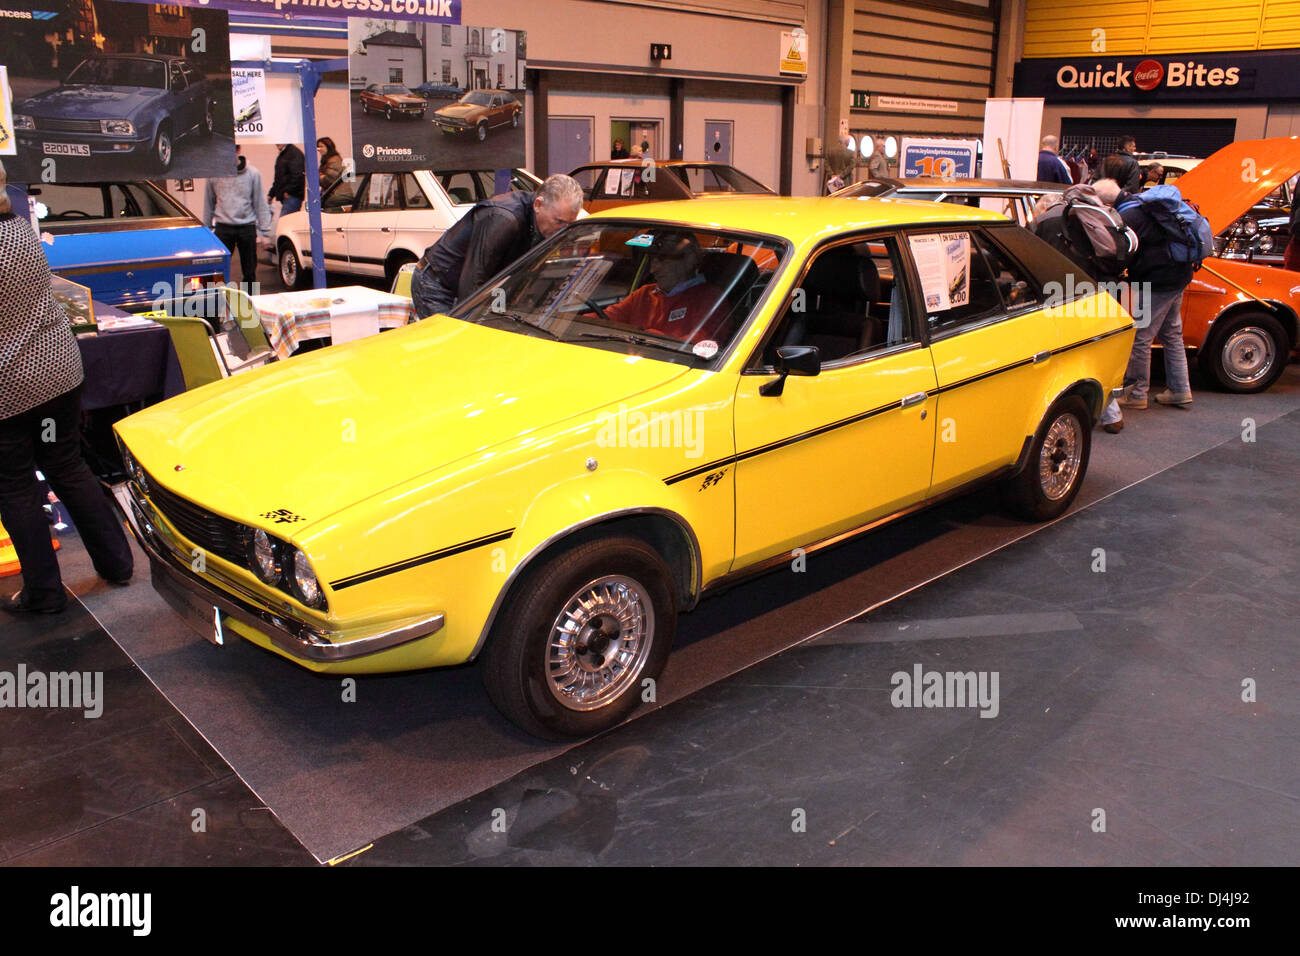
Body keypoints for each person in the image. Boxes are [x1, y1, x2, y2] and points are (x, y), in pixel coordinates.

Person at [0, 159, 133, 614]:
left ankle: (44, 593)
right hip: (57, 371)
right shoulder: (19, 228)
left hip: (9, 388)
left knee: (15, 487)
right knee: (67, 465)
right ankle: (117, 564)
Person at [411, 173, 584, 319]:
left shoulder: (544, 223)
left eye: (569, 224)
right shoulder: (503, 218)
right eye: (559, 221)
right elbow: (472, 283)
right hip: (437, 284)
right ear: (538, 205)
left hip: (472, 285)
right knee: (453, 347)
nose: (563, 230)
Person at [1094, 176, 1196, 413]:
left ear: (1106, 204)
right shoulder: (1142, 205)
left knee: (1141, 336)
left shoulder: (1128, 217)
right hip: (1179, 274)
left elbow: (1121, 253)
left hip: (1155, 281)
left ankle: (1137, 393)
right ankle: (1180, 390)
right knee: (1171, 333)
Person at [603, 231, 730, 344]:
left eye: (661, 260)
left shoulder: (710, 299)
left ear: (689, 260)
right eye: (652, 261)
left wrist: (648, 338)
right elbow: (604, 318)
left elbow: (699, 344)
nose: (652, 270)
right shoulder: (645, 293)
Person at [203, 145, 271, 285]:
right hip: (223, 227)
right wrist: (206, 230)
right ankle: (220, 303)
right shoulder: (214, 174)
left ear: (238, 151)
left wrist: (265, 232)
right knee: (218, 272)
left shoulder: (253, 174)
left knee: (250, 272)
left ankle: (249, 304)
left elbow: (260, 203)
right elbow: (208, 203)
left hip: (247, 227)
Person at [267, 143, 306, 215]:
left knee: (285, 223)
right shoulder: (285, 154)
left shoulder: (293, 154)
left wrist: (288, 192)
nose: (277, 143)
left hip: (292, 196)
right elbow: (279, 178)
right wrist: (271, 194)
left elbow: (297, 176)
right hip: (290, 196)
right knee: (285, 222)